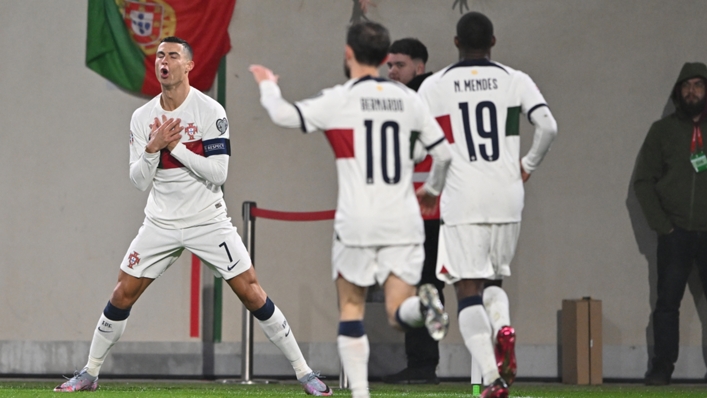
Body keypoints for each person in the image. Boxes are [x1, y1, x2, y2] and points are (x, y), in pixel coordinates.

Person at [54, 36, 331, 396]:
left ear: (188, 66)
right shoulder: (142, 117)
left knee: (251, 292)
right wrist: (153, 148)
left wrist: (175, 147)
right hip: (160, 223)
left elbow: (219, 174)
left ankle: (305, 372)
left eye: (172, 55)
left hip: (207, 220)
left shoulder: (210, 111)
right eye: (159, 56)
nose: (163, 61)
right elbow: (138, 181)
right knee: (122, 293)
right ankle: (89, 374)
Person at [250, 21, 452, 398]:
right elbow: (441, 154)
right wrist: (432, 190)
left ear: (348, 54)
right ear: (383, 58)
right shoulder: (409, 100)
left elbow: (281, 114)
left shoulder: (339, 99)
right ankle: (423, 309)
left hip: (357, 219)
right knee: (397, 311)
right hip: (404, 218)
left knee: (351, 308)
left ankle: (360, 394)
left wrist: (267, 83)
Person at [418, 12, 558, 397]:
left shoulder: (436, 84)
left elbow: (421, 147)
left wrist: (430, 187)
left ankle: (492, 380)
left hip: (464, 197)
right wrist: (527, 164)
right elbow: (548, 126)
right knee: (494, 279)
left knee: (467, 288)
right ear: (493, 42)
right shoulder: (516, 79)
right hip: (508, 194)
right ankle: (503, 329)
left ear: (456, 43)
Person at [634, 62, 707, 386]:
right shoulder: (661, 131)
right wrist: (663, 226)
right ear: (678, 91)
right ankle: (662, 368)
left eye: (698, 85)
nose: (692, 91)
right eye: (686, 86)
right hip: (674, 234)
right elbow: (643, 182)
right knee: (666, 306)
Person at [382, 38, 444, 385]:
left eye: (400, 65)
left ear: (419, 67)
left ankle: (423, 366)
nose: (391, 71)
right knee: (426, 286)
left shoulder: (420, 99)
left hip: (428, 213)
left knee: (424, 286)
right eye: (389, 65)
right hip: (424, 210)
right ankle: (424, 365)